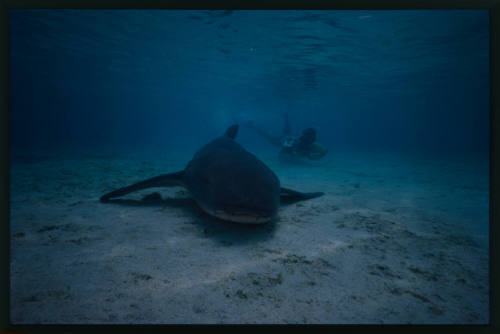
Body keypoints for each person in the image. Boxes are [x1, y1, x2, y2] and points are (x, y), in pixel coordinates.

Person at [247, 114, 328, 160]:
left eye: (311, 139)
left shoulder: (314, 145)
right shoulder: (292, 141)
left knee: (287, 132)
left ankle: (286, 118)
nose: (308, 140)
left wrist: (314, 157)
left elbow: (324, 151)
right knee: (269, 137)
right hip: (282, 141)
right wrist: (300, 155)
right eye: (306, 138)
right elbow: (281, 155)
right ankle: (253, 126)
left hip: (290, 138)